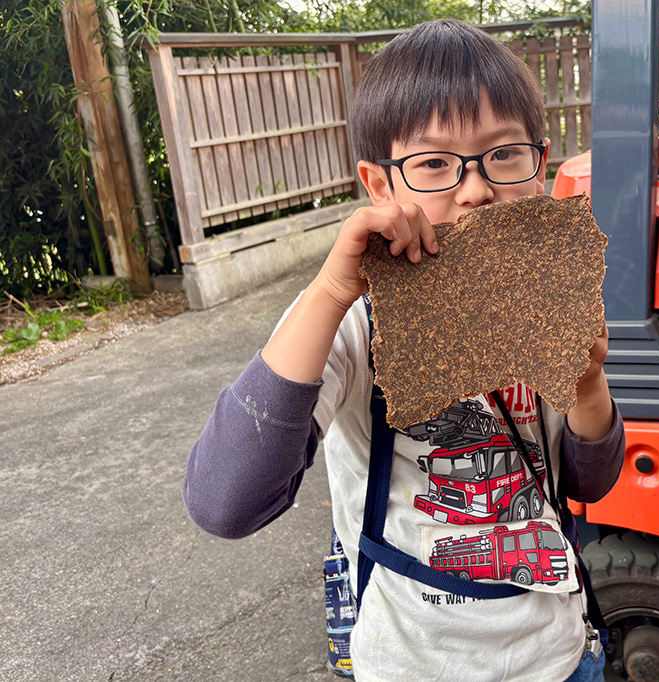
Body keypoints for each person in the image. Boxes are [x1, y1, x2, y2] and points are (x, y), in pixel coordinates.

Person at [184, 19, 625, 682]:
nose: (475, 188)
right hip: (416, 665)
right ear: (381, 184)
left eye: (505, 154)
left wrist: (589, 390)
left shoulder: (540, 298)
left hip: (559, 655)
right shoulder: (357, 320)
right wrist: (333, 290)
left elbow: (586, 484)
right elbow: (226, 501)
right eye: (434, 164)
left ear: (541, 166)